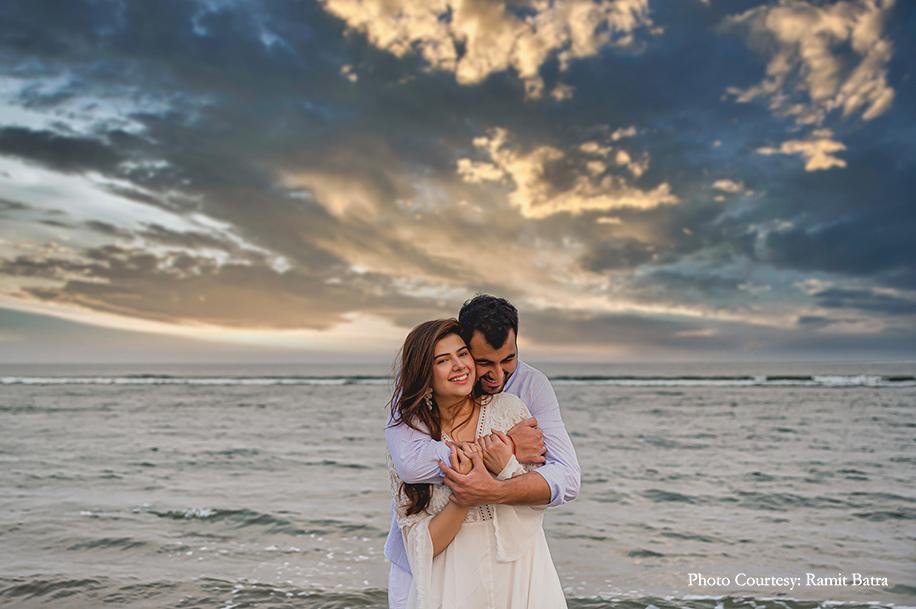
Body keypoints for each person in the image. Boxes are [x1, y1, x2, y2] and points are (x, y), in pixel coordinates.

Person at [385, 295, 581, 608]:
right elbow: (410, 465)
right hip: (426, 568)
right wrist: (506, 447)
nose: (499, 375)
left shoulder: (527, 391)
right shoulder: (414, 395)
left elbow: (567, 479)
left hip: (509, 565)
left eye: (509, 360)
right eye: (485, 362)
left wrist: (493, 489)